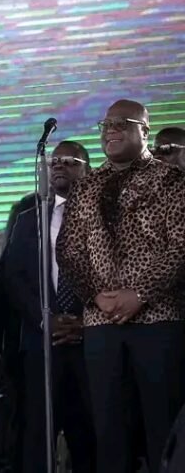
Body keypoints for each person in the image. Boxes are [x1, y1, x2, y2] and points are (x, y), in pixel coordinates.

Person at [57, 100, 185, 473]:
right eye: (105, 124)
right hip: (101, 325)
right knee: (110, 429)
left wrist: (139, 293)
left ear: (144, 131)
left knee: (162, 425)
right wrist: (96, 294)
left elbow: (181, 246)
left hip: (160, 320)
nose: (110, 130)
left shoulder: (172, 181)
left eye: (122, 124)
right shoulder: (86, 187)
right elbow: (69, 250)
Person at [4, 140, 95, 473]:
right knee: (37, 438)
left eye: (70, 161)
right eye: (54, 161)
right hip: (42, 344)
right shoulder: (30, 218)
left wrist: (86, 320)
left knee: (90, 436)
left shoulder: (106, 212)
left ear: (89, 170)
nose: (59, 166)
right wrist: (46, 320)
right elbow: (14, 276)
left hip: (93, 343)